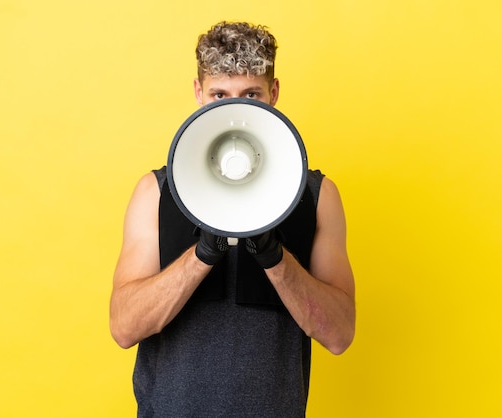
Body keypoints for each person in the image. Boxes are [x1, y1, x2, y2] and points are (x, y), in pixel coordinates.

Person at [109, 21, 356, 417]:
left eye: (251, 94)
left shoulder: (317, 196)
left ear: (274, 94)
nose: (234, 109)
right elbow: (124, 327)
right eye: (219, 94)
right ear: (198, 93)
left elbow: (340, 334)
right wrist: (204, 252)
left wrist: (274, 257)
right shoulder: (155, 193)